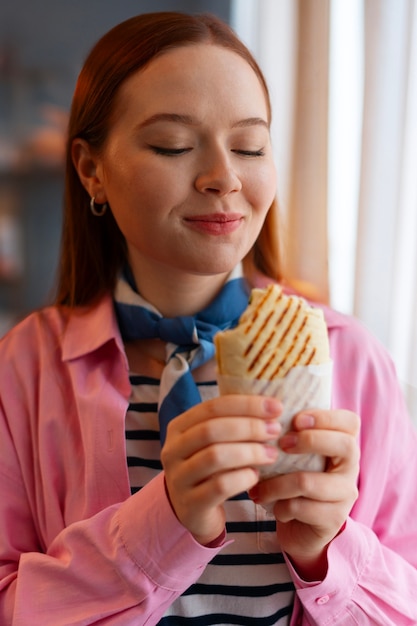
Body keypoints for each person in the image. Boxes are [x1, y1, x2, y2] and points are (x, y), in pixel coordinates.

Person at [0, 11, 416, 626]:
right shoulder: (24, 368)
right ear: (93, 170)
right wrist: (162, 526)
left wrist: (328, 553)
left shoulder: (352, 360)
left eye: (250, 146)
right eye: (173, 145)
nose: (223, 177)